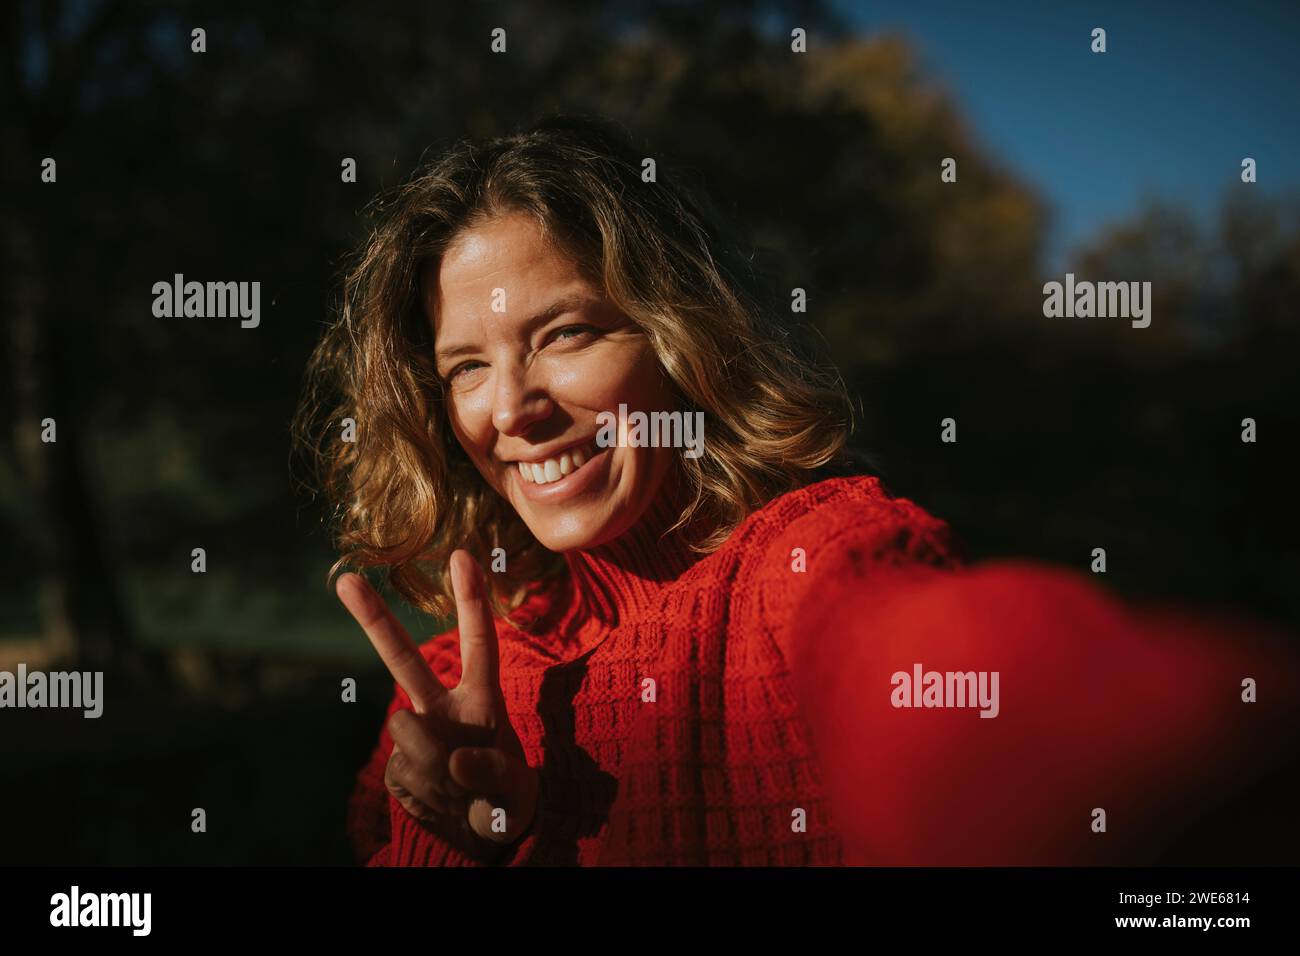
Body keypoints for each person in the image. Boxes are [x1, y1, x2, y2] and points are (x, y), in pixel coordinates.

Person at [294, 114, 1298, 866]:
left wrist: (1167, 743)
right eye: (465, 365)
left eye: (564, 333)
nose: (510, 407)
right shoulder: (442, 690)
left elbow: (940, 678)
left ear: (685, 341)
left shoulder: (806, 559)